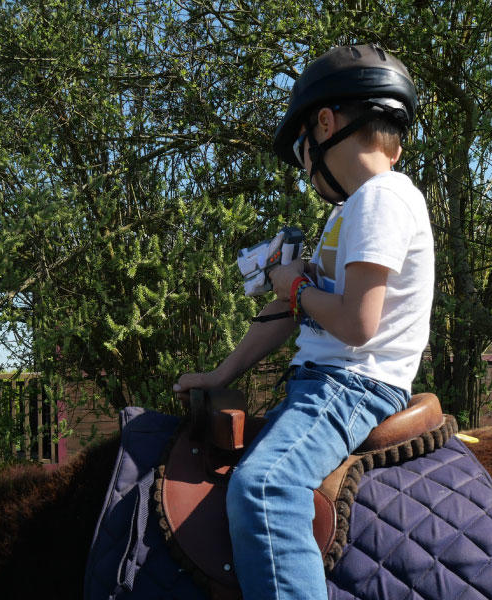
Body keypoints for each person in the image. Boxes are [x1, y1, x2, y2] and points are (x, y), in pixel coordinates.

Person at [173, 43, 434, 600]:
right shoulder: (353, 210)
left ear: (325, 123)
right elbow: (296, 312)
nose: (306, 165)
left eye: (302, 149)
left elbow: (358, 324)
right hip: (329, 381)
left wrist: (294, 284)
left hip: (352, 386)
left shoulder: (381, 198)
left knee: (264, 487)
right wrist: (221, 374)